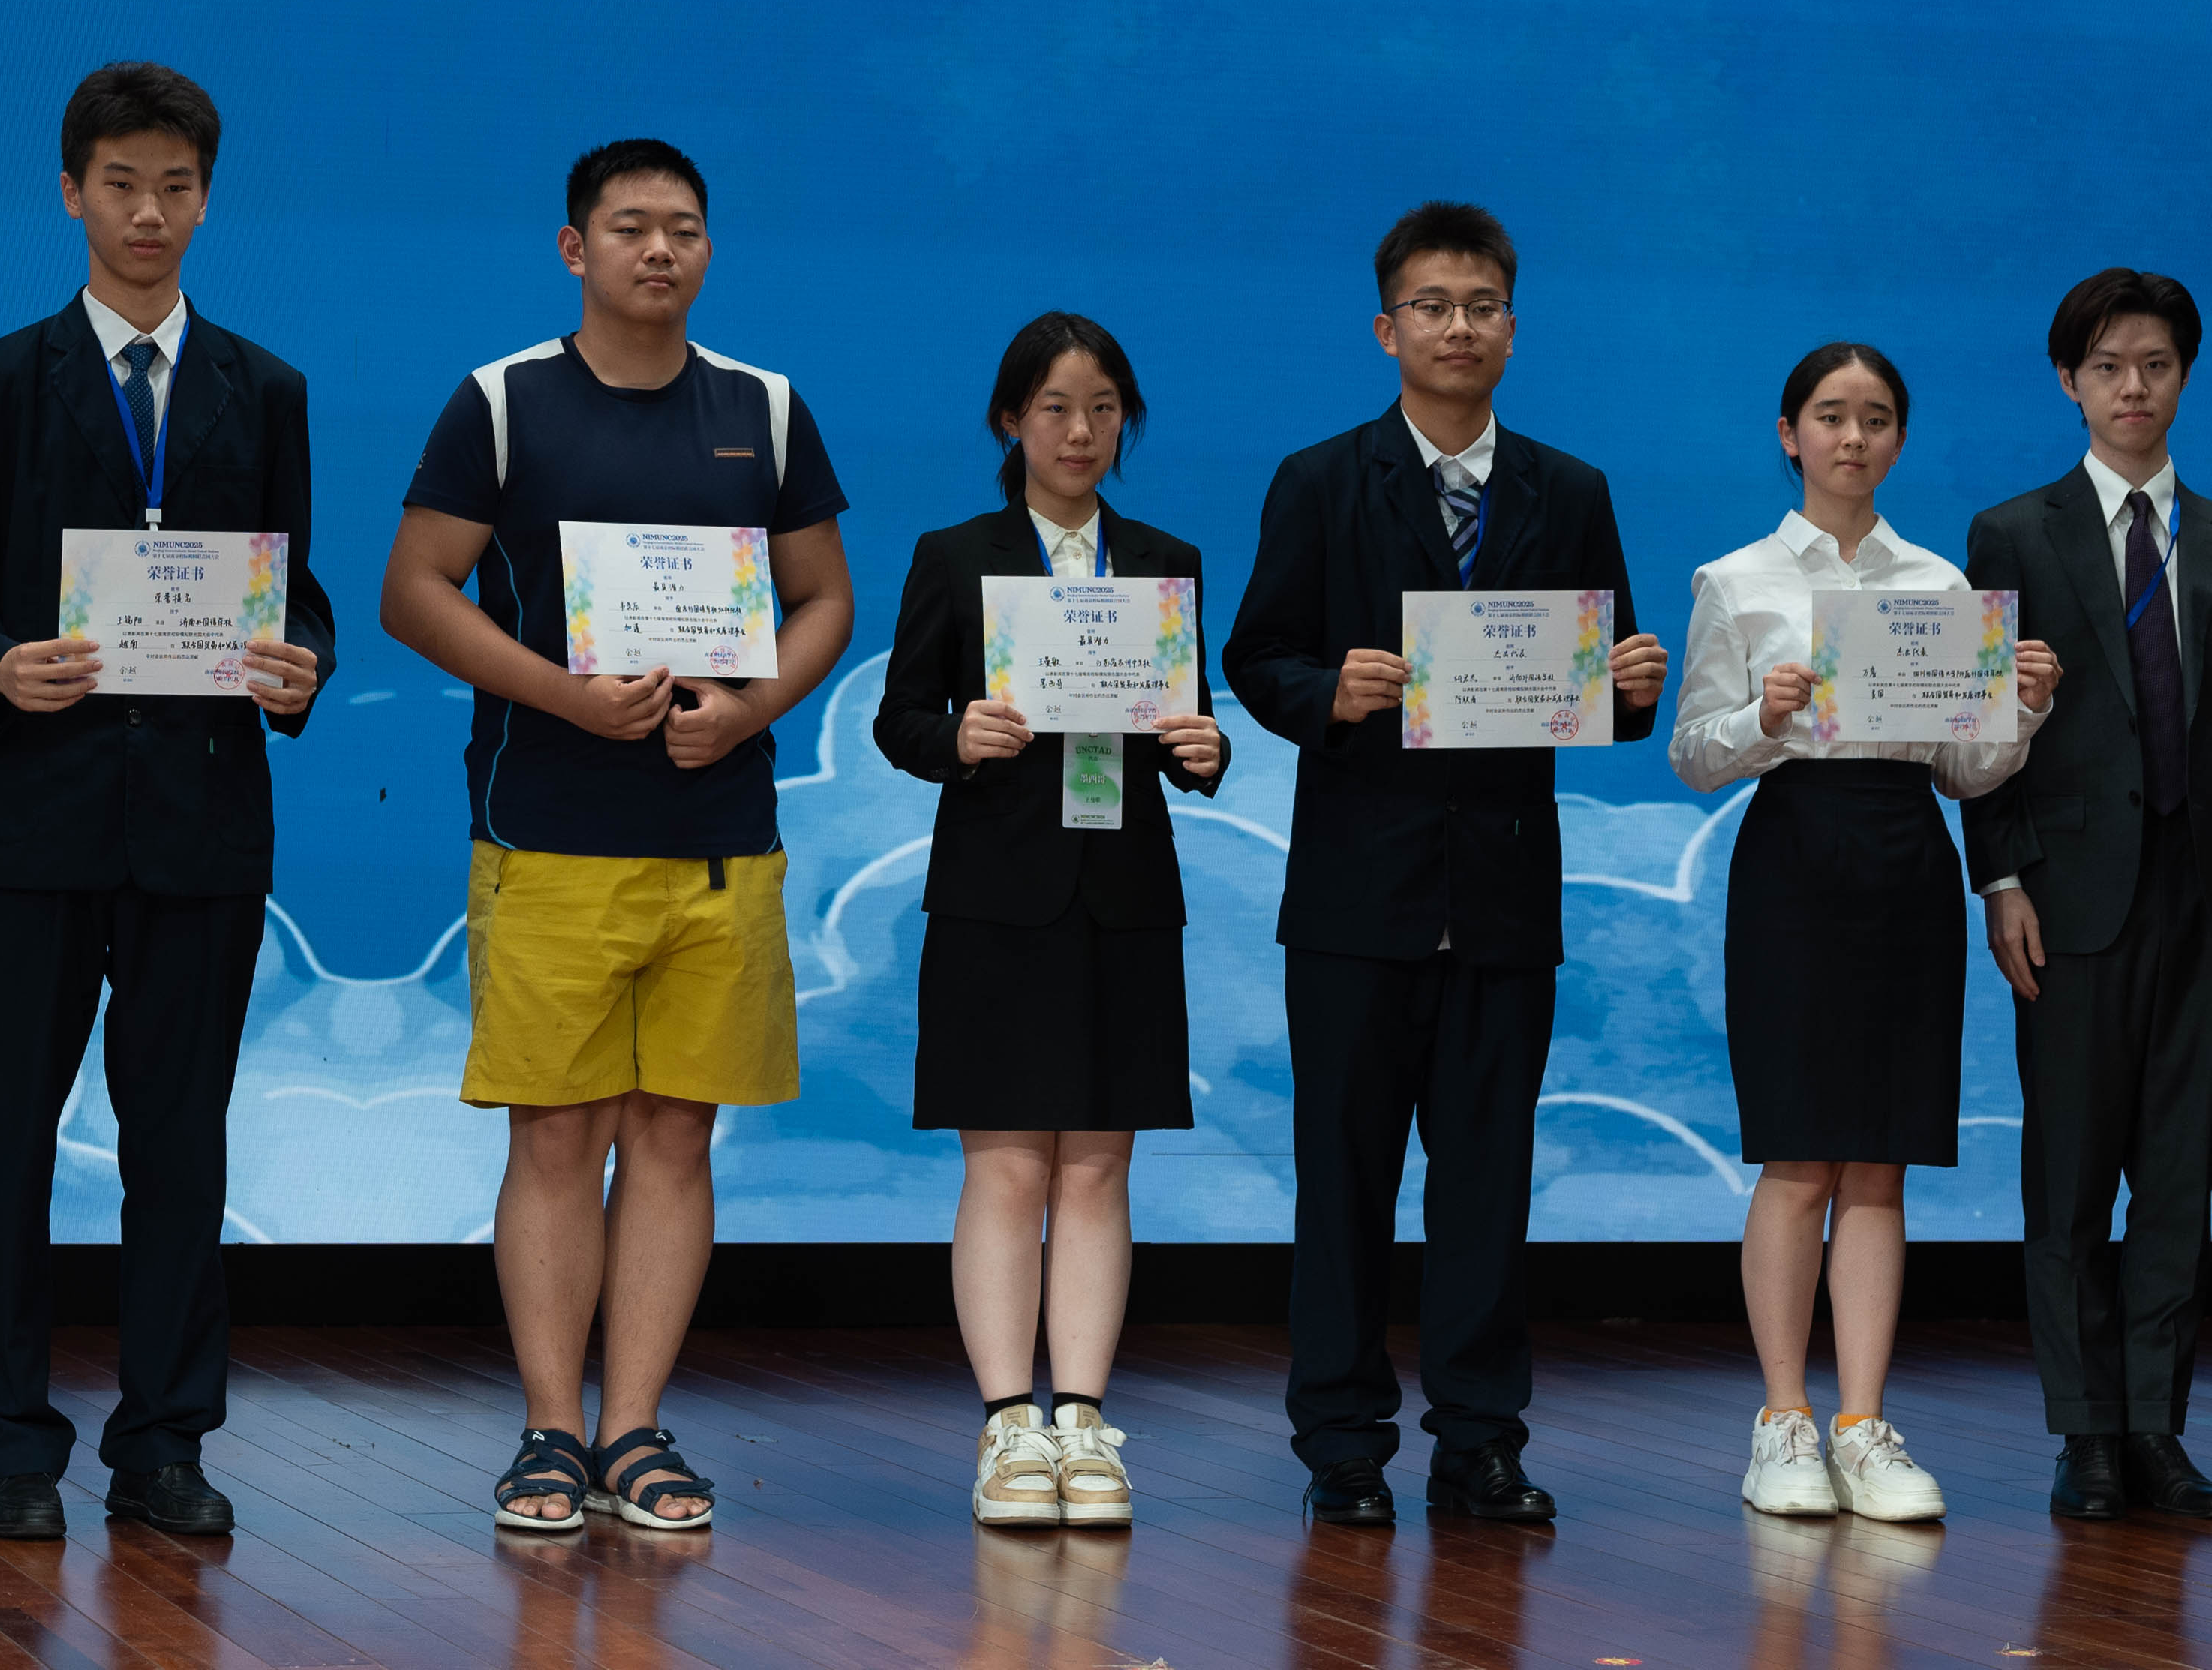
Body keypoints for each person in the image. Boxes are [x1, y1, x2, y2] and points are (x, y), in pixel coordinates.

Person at [380, 140, 856, 1535]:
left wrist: (752, 706)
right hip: (548, 834)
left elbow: (824, 598)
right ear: (573, 247)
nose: (660, 250)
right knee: (556, 1137)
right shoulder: (503, 401)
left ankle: (635, 1429)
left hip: (720, 837)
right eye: (631, 226)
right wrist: (563, 698)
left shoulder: (765, 407)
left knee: (675, 1137)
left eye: (684, 228)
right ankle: (548, 1432)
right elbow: (415, 589)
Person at [0, 62, 334, 1542]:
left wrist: (299, 665)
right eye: (123, 184)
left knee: (182, 1147)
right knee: (2, 1142)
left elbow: (297, 591)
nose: (149, 212)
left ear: (207, 201)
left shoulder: (266, 389)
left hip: (202, 825)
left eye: (176, 187)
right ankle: (10, 1441)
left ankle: (164, 1438)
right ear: (72, 191)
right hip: (35, 817)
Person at [1220, 201, 1667, 1530]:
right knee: (1343, 1184)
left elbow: (1601, 692)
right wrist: (1328, 692)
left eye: (1480, 306)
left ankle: (1480, 1442)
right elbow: (1256, 656)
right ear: (1386, 329)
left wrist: (1632, 687)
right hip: (1355, 895)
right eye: (1431, 305)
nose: (1456, 326)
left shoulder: (1569, 491)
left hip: (1505, 895)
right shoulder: (1318, 479)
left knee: (1486, 1186)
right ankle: (1342, 1447)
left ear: (1512, 330)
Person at [1669, 344, 2060, 1524]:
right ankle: (1782, 1419)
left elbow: (1963, 771)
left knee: (1883, 1157)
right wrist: (1763, 713)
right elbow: (1692, 755)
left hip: (1905, 858)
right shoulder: (1734, 580)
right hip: (1792, 855)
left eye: (1875, 418)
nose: (1852, 438)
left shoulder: (1938, 583)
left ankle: (1863, 1425)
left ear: (1897, 437)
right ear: (1787, 433)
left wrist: (2022, 709)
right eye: (1830, 417)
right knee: (1799, 1153)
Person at [1959, 269, 2212, 1524]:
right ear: (2069, 381)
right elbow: (1981, 721)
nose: (2132, 388)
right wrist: (1999, 875)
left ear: (2184, 376)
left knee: (2175, 1178)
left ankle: (2157, 1428)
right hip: (2065, 896)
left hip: (2204, 901)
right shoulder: (2012, 533)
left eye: (2155, 365)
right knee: (2065, 1178)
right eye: (2107, 366)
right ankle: (2084, 1436)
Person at [870, 314, 1231, 1530]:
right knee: (1008, 1161)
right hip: (996, 892)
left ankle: (1082, 1420)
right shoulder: (955, 556)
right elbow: (899, 718)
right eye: (1056, 408)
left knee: (1100, 1162)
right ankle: (1005, 1425)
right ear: (1010, 420)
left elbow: (1182, 726)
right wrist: (955, 736)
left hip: (1125, 892)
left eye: (1103, 408)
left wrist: (1206, 748)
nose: (1081, 432)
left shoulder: (1165, 561)